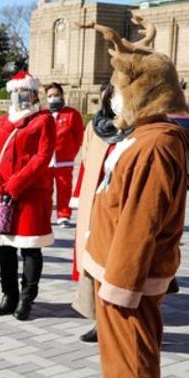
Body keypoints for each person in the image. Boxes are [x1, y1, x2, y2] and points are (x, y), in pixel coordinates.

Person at [76, 19, 189, 378]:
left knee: (133, 350)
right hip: (114, 265)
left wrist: (122, 284)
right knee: (119, 349)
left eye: (118, 89)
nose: (112, 97)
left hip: (127, 273)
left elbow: (140, 222)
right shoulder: (145, 136)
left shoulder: (155, 145)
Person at [0, 72, 56, 321]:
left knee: (30, 248)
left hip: (30, 193)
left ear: (36, 95)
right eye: (17, 92)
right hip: (3, 194)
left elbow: (43, 156)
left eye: (28, 93)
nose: (22, 97)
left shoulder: (43, 120)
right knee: (5, 247)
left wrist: (16, 183)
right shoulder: (1, 122)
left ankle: (26, 299)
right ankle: (8, 295)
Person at [70, 84, 123, 343]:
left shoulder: (139, 129)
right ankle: (99, 320)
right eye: (112, 94)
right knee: (94, 263)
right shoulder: (96, 127)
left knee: (118, 265)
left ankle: (119, 322)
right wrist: (79, 198)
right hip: (95, 204)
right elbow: (86, 164)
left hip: (121, 208)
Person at [45, 82, 84, 227]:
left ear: (62, 95)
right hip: (46, 160)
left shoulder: (72, 114)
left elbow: (78, 136)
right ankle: (45, 215)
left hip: (64, 159)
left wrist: (71, 153)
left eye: (56, 95)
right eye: (50, 96)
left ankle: (63, 215)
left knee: (64, 188)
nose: (53, 98)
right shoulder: (43, 114)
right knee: (45, 189)